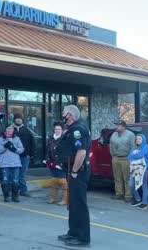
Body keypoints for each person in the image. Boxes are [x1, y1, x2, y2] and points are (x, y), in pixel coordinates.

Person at [56, 105, 91, 247]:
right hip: (70, 170)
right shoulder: (70, 129)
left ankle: (82, 237)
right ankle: (73, 232)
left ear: (69, 115)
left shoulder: (78, 130)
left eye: (64, 112)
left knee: (79, 204)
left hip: (78, 172)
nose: (62, 114)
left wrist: (75, 171)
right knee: (72, 203)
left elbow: (81, 152)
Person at [0, 125, 24, 202]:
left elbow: (21, 149)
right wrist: (5, 146)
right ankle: (6, 196)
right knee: (5, 181)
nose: (10, 130)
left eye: (11, 128)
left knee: (15, 180)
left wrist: (14, 148)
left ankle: (15, 196)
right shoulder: (0, 139)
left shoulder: (17, 138)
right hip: (5, 163)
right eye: (8, 128)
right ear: (5, 130)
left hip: (16, 163)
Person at [110, 120, 135, 202]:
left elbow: (133, 147)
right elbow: (111, 145)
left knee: (127, 178)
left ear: (123, 126)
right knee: (117, 177)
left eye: (118, 125)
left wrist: (130, 158)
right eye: (116, 125)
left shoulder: (130, 135)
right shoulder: (114, 134)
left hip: (126, 158)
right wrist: (113, 155)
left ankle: (128, 196)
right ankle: (119, 193)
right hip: (115, 157)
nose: (116, 127)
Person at [12, 113, 36, 197]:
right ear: (14, 119)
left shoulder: (27, 130)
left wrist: (31, 154)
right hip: (13, 156)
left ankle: (23, 190)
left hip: (25, 157)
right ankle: (15, 191)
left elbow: (32, 143)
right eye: (17, 118)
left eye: (20, 118)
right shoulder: (10, 129)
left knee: (22, 174)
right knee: (14, 174)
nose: (18, 120)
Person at [45, 122, 68, 206]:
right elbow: (47, 149)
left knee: (62, 181)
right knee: (54, 181)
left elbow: (65, 152)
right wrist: (47, 160)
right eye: (56, 129)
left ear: (62, 130)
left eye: (59, 129)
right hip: (52, 163)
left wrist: (61, 162)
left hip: (60, 163)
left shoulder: (64, 139)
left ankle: (65, 200)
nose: (57, 130)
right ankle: (53, 198)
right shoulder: (51, 138)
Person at [128, 134, 148, 210]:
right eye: (137, 139)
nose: (137, 140)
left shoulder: (146, 147)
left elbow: (139, 155)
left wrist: (134, 155)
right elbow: (129, 157)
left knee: (144, 185)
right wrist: (135, 155)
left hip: (143, 169)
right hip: (134, 168)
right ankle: (138, 199)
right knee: (131, 184)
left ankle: (144, 203)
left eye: (139, 139)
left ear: (143, 140)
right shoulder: (134, 147)